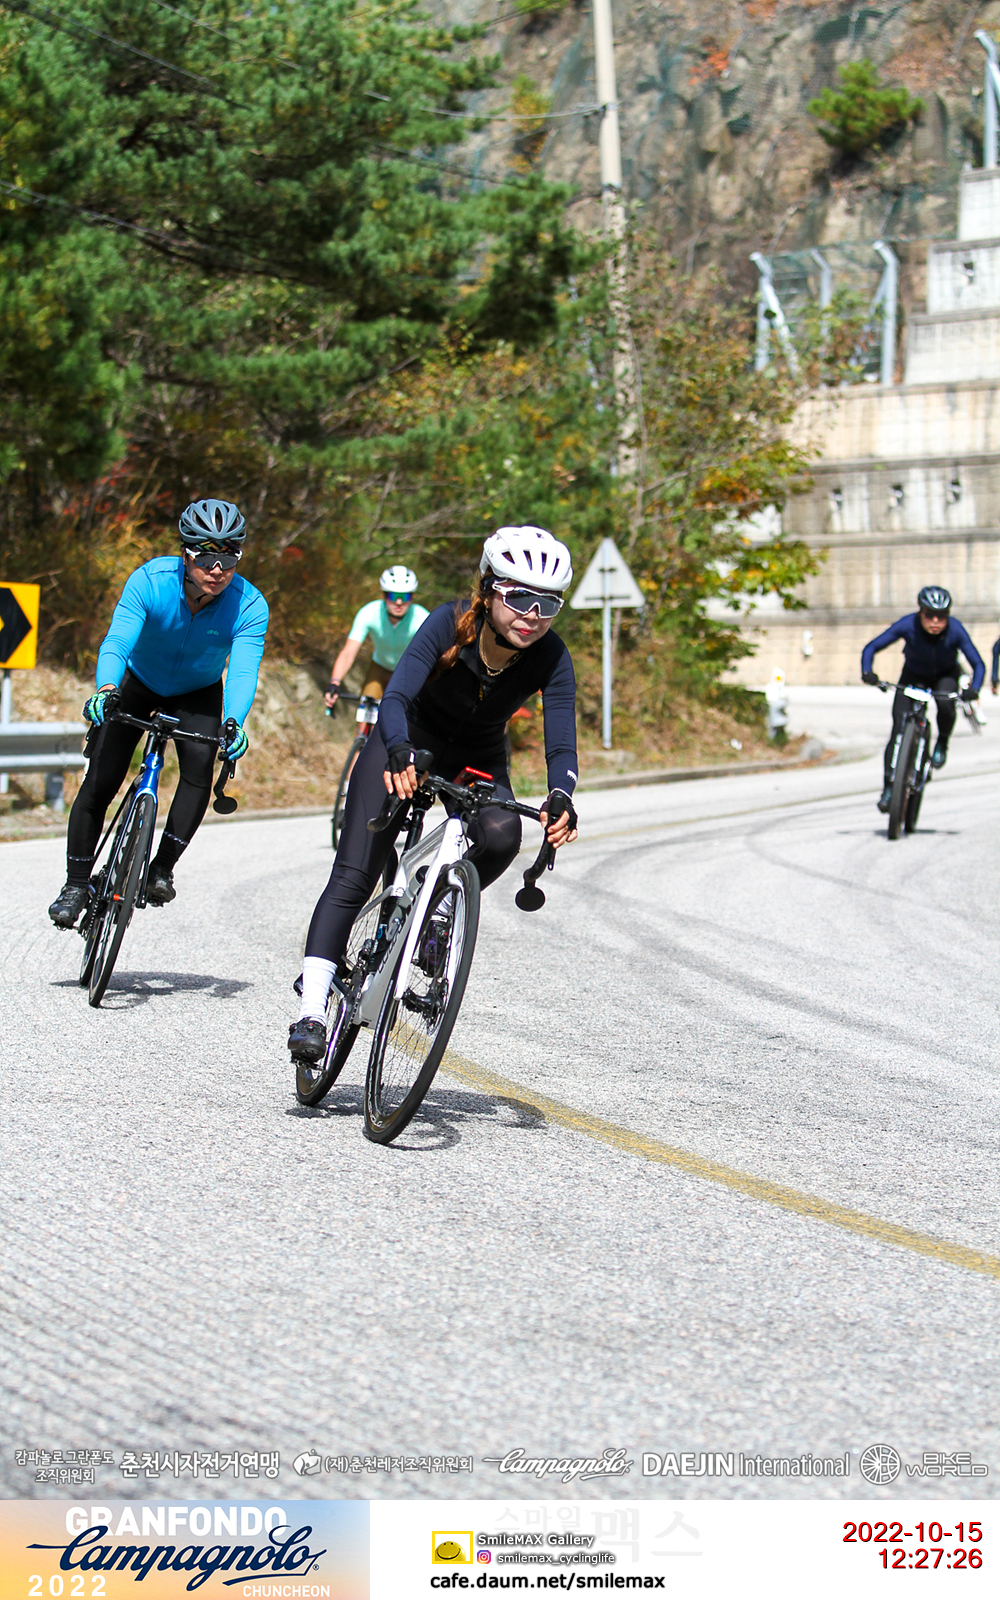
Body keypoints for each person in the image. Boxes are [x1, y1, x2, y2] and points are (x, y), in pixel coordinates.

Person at [289, 526, 579, 1062]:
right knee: (355, 873)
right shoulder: (447, 622)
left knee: (502, 835)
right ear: (489, 590)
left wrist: (561, 795)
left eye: (549, 603)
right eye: (520, 598)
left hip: (476, 755)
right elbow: (395, 696)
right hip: (408, 739)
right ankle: (310, 1011)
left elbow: (561, 742)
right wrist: (398, 752)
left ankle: (435, 906)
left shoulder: (551, 655)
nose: (533, 615)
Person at [48, 499, 269, 928]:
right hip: (139, 682)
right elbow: (117, 641)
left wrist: (234, 721)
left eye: (228, 558)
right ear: (185, 554)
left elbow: (243, 669)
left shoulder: (249, 604)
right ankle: (75, 884)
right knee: (101, 780)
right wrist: (106, 688)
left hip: (198, 691)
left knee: (200, 767)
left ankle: (162, 868)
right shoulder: (149, 581)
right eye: (206, 557)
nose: (217, 569)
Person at [861, 585, 984, 812]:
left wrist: (974, 689)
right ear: (920, 613)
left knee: (946, 705)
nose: (935, 621)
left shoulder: (956, 630)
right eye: (929, 615)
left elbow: (978, 664)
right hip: (913, 677)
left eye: (942, 616)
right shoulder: (907, 624)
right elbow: (871, 647)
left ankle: (942, 742)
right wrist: (868, 672)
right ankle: (889, 787)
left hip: (945, 676)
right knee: (898, 728)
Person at [324, 566, 429, 710]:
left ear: (412, 598)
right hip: (379, 667)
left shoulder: (423, 618)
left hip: (407, 672)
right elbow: (348, 653)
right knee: (365, 711)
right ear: (384, 596)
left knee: (408, 713)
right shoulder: (369, 613)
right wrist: (335, 682)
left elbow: (437, 656)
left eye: (405, 597)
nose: (399, 602)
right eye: (393, 596)